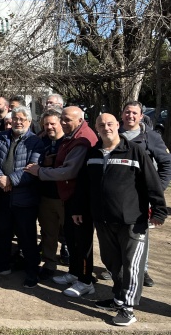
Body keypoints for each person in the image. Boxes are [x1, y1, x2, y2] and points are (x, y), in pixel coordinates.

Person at [73, 114, 167, 326]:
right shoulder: (92, 153)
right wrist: (78, 208)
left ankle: (128, 308)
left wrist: (159, 211)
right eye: (101, 125)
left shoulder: (135, 151)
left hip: (133, 220)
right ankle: (118, 298)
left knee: (132, 265)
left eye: (110, 124)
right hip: (103, 220)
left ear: (117, 126)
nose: (106, 128)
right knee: (112, 263)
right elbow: (83, 185)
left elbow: (152, 182)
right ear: (96, 128)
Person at [24, 106, 98, 295]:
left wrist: (40, 171)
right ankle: (73, 273)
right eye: (62, 119)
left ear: (80, 120)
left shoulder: (82, 139)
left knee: (80, 240)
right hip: (57, 195)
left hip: (75, 197)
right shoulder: (68, 136)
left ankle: (85, 280)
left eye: (65, 120)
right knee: (64, 237)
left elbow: (69, 171)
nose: (62, 123)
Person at [0, 106, 44, 288]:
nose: (18, 122)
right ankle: (3, 264)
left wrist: (11, 179)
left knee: (27, 236)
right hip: (2, 194)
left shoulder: (35, 142)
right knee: (2, 232)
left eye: (22, 119)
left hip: (24, 197)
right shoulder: (1, 136)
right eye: (15, 118)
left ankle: (32, 271)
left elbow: (33, 168)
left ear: (29, 121)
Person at [119, 101, 171, 287]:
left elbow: (166, 163)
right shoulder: (113, 134)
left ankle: (143, 269)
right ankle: (118, 268)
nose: (130, 116)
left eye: (134, 113)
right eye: (127, 112)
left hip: (141, 197)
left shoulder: (151, 137)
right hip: (117, 196)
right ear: (122, 114)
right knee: (117, 232)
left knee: (139, 234)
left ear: (141, 116)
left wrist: (158, 188)